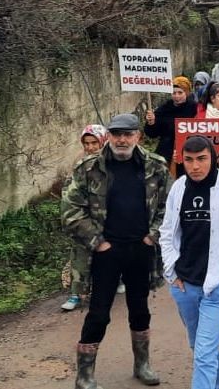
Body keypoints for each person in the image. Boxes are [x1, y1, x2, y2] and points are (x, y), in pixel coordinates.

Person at [63, 113, 171, 389]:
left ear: (138, 136)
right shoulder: (89, 168)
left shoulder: (155, 167)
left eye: (128, 134)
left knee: (140, 309)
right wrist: (97, 242)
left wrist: (153, 235)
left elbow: (168, 208)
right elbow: (71, 211)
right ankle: (84, 375)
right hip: (104, 251)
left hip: (140, 249)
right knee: (99, 312)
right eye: (117, 134)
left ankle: (142, 365)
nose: (122, 139)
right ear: (108, 135)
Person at [160, 136, 219, 389]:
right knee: (200, 346)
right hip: (184, 285)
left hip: (218, 284)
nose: (195, 166)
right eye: (189, 160)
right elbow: (168, 232)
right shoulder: (179, 187)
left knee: (203, 352)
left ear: (213, 158)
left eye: (201, 159)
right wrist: (171, 271)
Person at [62, 124, 109, 312]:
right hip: (84, 218)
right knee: (80, 255)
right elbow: (69, 193)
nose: (90, 147)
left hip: (106, 218)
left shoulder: (111, 164)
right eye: (86, 143)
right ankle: (76, 294)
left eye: (94, 143)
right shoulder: (79, 165)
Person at [145, 76, 199, 165]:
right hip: (166, 154)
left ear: (186, 93)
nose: (176, 96)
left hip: (189, 153)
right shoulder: (164, 109)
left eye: (180, 93)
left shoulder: (194, 108)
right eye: (174, 93)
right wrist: (152, 123)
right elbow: (152, 134)